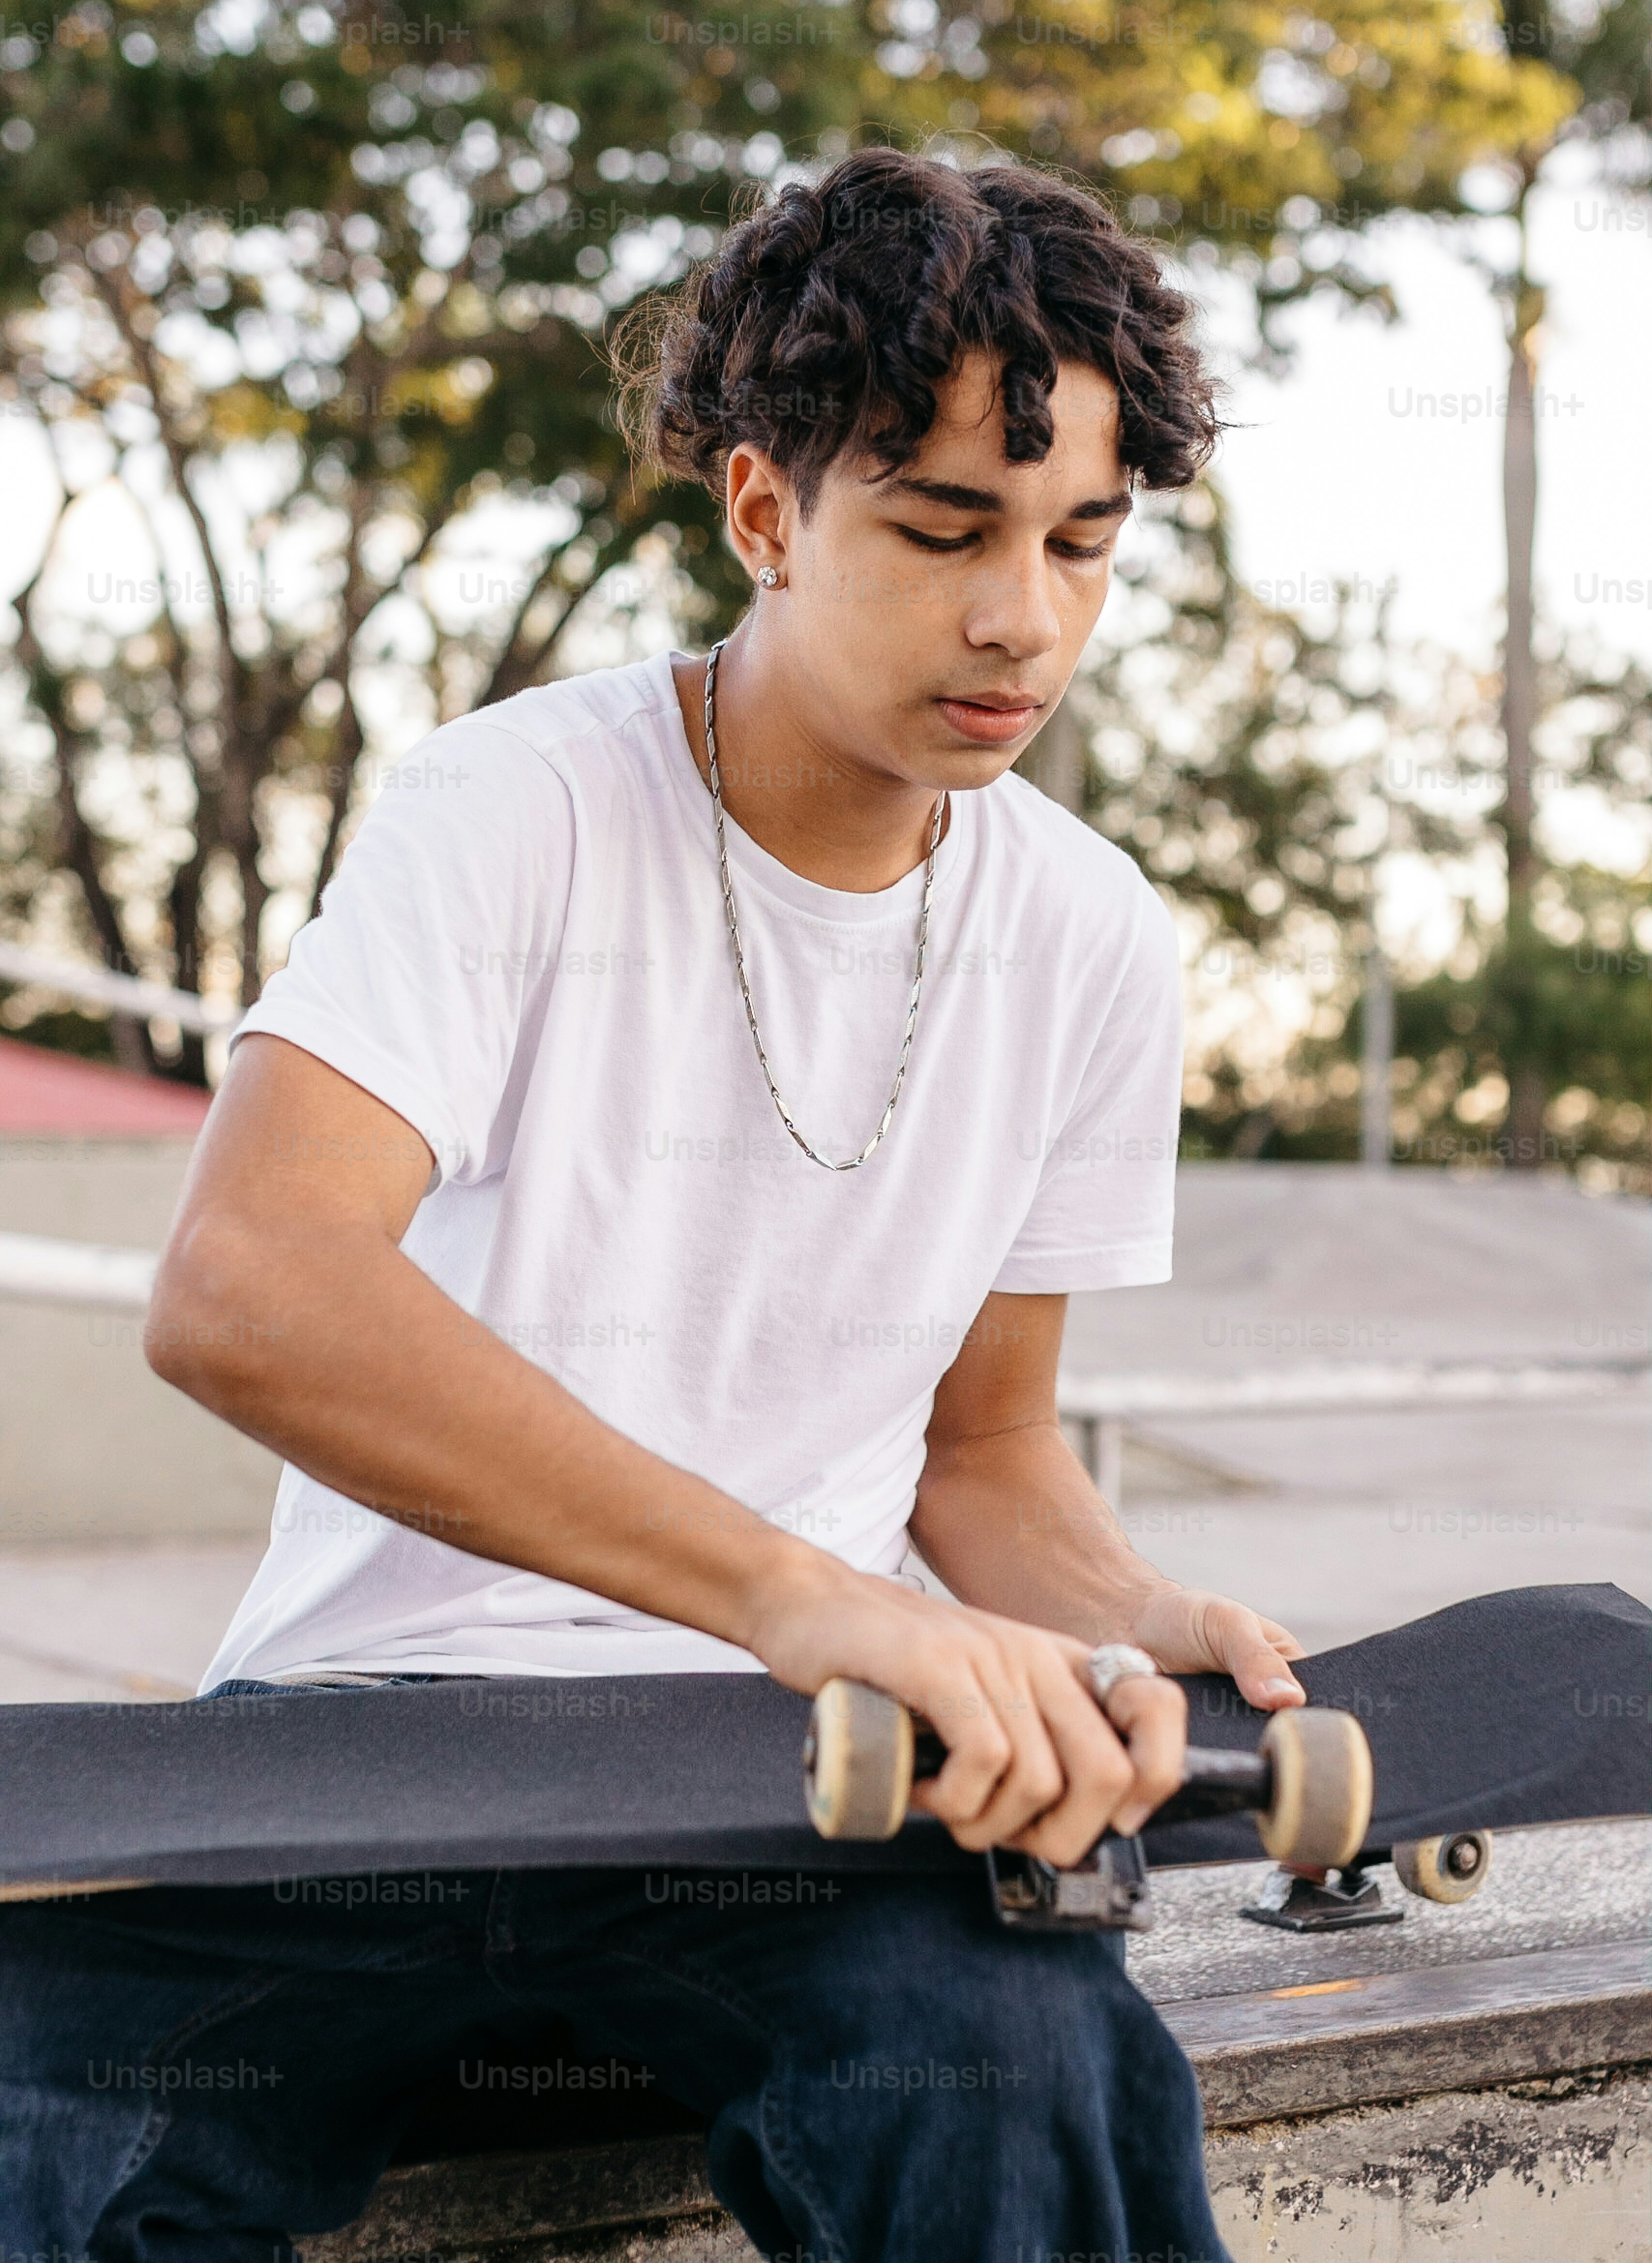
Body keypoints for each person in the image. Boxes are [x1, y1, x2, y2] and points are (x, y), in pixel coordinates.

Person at [0, 149, 1307, 2263]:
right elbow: (248, 1282)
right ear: (767, 512)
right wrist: (806, 1589)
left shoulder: (1092, 936)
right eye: (948, 526)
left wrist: (1120, 1612)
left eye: (1083, 542)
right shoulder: (511, 807)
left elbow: (984, 1453)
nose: (1023, 616)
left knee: (1027, 2084)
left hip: (784, 1793)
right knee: (33, 2129)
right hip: (369, 1765)